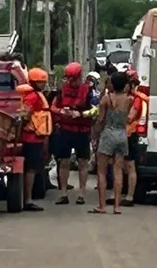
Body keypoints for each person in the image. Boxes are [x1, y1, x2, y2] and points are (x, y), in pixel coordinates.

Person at [51, 62, 94, 205]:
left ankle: (82, 193)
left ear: (80, 76)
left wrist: (80, 114)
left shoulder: (88, 91)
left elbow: (95, 110)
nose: (71, 82)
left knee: (83, 162)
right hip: (65, 129)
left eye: (74, 78)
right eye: (69, 78)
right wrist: (61, 111)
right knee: (64, 161)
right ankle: (63, 193)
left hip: (82, 130)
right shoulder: (61, 90)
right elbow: (53, 107)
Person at [90, 71, 132, 214]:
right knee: (118, 171)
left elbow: (100, 120)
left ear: (112, 84)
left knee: (101, 171)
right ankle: (117, 206)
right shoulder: (129, 100)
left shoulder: (106, 99)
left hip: (108, 133)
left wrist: (95, 136)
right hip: (122, 134)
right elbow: (129, 117)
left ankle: (102, 206)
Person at [17, 67, 52, 212]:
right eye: (41, 82)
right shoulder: (32, 96)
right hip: (32, 138)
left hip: (36, 136)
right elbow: (24, 114)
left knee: (31, 169)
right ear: (33, 82)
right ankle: (28, 200)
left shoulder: (35, 95)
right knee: (30, 170)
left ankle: (27, 198)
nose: (44, 85)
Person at [121, 69, 148, 207]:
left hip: (130, 135)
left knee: (130, 165)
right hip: (123, 134)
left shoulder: (137, 99)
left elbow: (130, 117)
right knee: (122, 165)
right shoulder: (126, 97)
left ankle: (130, 196)